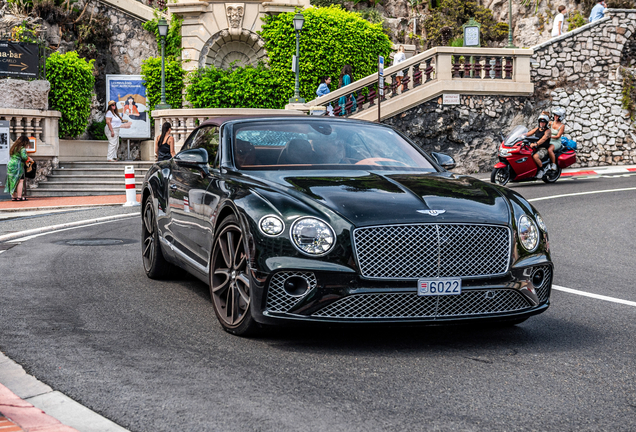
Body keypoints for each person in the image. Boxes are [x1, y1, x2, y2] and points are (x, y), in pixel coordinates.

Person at [4, 136, 33, 201]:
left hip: (10, 164)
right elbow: (24, 157)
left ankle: (14, 197)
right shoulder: (22, 148)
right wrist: (29, 158)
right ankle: (19, 197)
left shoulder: (14, 147)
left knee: (12, 180)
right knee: (20, 180)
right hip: (18, 165)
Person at [527, 114, 553, 178]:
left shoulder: (548, 131)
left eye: (543, 122)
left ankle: (542, 170)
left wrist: (536, 144)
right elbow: (528, 133)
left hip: (543, 149)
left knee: (535, 156)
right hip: (535, 148)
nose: (542, 124)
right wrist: (519, 136)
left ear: (546, 123)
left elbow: (543, 139)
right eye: (541, 122)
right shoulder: (537, 129)